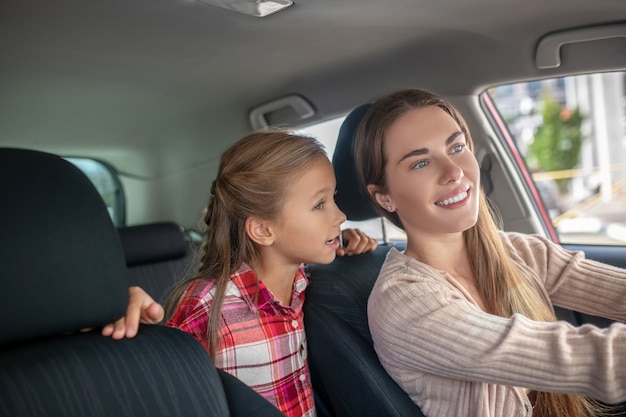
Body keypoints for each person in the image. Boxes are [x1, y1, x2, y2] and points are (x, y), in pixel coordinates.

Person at [353, 88, 626, 417]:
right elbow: (572, 356)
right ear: (385, 198)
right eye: (421, 163)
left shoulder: (517, 251)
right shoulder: (402, 302)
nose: (454, 172)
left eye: (456, 147)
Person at [149, 131, 375, 417]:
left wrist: (345, 243)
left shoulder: (301, 282)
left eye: (333, 198)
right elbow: (167, 394)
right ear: (263, 230)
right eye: (320, 205)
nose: (340, 215)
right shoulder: (206, 306)